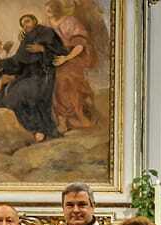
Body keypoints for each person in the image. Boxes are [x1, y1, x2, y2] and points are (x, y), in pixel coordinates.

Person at [0, 14, 69, 142]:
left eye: (27, 21)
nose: (25, 25)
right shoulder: (26, 39)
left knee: (23, 95)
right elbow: (18, 61)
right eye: (23, 24)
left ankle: (41, 130)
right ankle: (35, 129)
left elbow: (61, 52)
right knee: (5, 98)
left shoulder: (47, 32)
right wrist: (0, 66)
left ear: (35, 21)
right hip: (27, 75)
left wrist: (43, 49)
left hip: (43, 74)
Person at [46, 0, 97, 132]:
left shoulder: (71, 21)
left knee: (64, 82)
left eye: (50, 10)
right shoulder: (48, 24)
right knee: (49, 81)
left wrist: (66, 58)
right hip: (57, 59)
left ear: (58, 9)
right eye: (47, 10)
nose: (48, 13)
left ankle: (78, 117)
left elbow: (80, 44)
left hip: (73, 58)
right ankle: (61, 120)